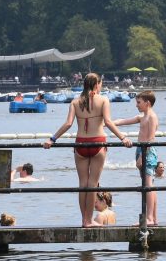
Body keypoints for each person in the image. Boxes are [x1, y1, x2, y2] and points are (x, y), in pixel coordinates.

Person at [43, 72, 132, 228]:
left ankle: (84, 220)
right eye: (101, 83)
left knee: (82, 183)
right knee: (92, 184)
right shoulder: (103, 100)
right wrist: (123, 138)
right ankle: (89, 220)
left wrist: (52, 139)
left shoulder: (75, 102)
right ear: (97, 84)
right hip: (98, 142)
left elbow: (68, 124)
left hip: (80, 144)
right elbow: (109, 122)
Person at [114, 90, 159, 225]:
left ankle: (150, 218)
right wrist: (107, 123)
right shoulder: (142, 116)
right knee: (148, 185)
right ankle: (153, 217)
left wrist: (142, 156)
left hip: (147, 150)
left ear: (147, 103)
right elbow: (123, 121)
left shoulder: (151, 116)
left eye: (139, 102)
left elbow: (150, 138)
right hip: (141, 149)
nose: (137, 105)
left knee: (148, 185)